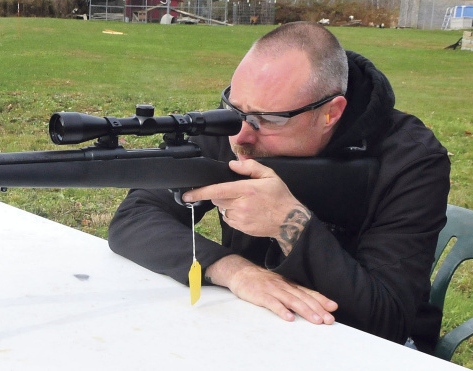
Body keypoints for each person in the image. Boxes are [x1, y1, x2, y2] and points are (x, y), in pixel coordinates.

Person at [108, 22, 450, 354]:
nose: (240, 136)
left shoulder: (412, 159)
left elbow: (385, 322)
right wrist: (234, 270)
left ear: (331, 113)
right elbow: (135, 218)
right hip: (258, 324)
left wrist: (291, 224)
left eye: (269, 119)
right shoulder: (238, 127)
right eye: (234, 107)